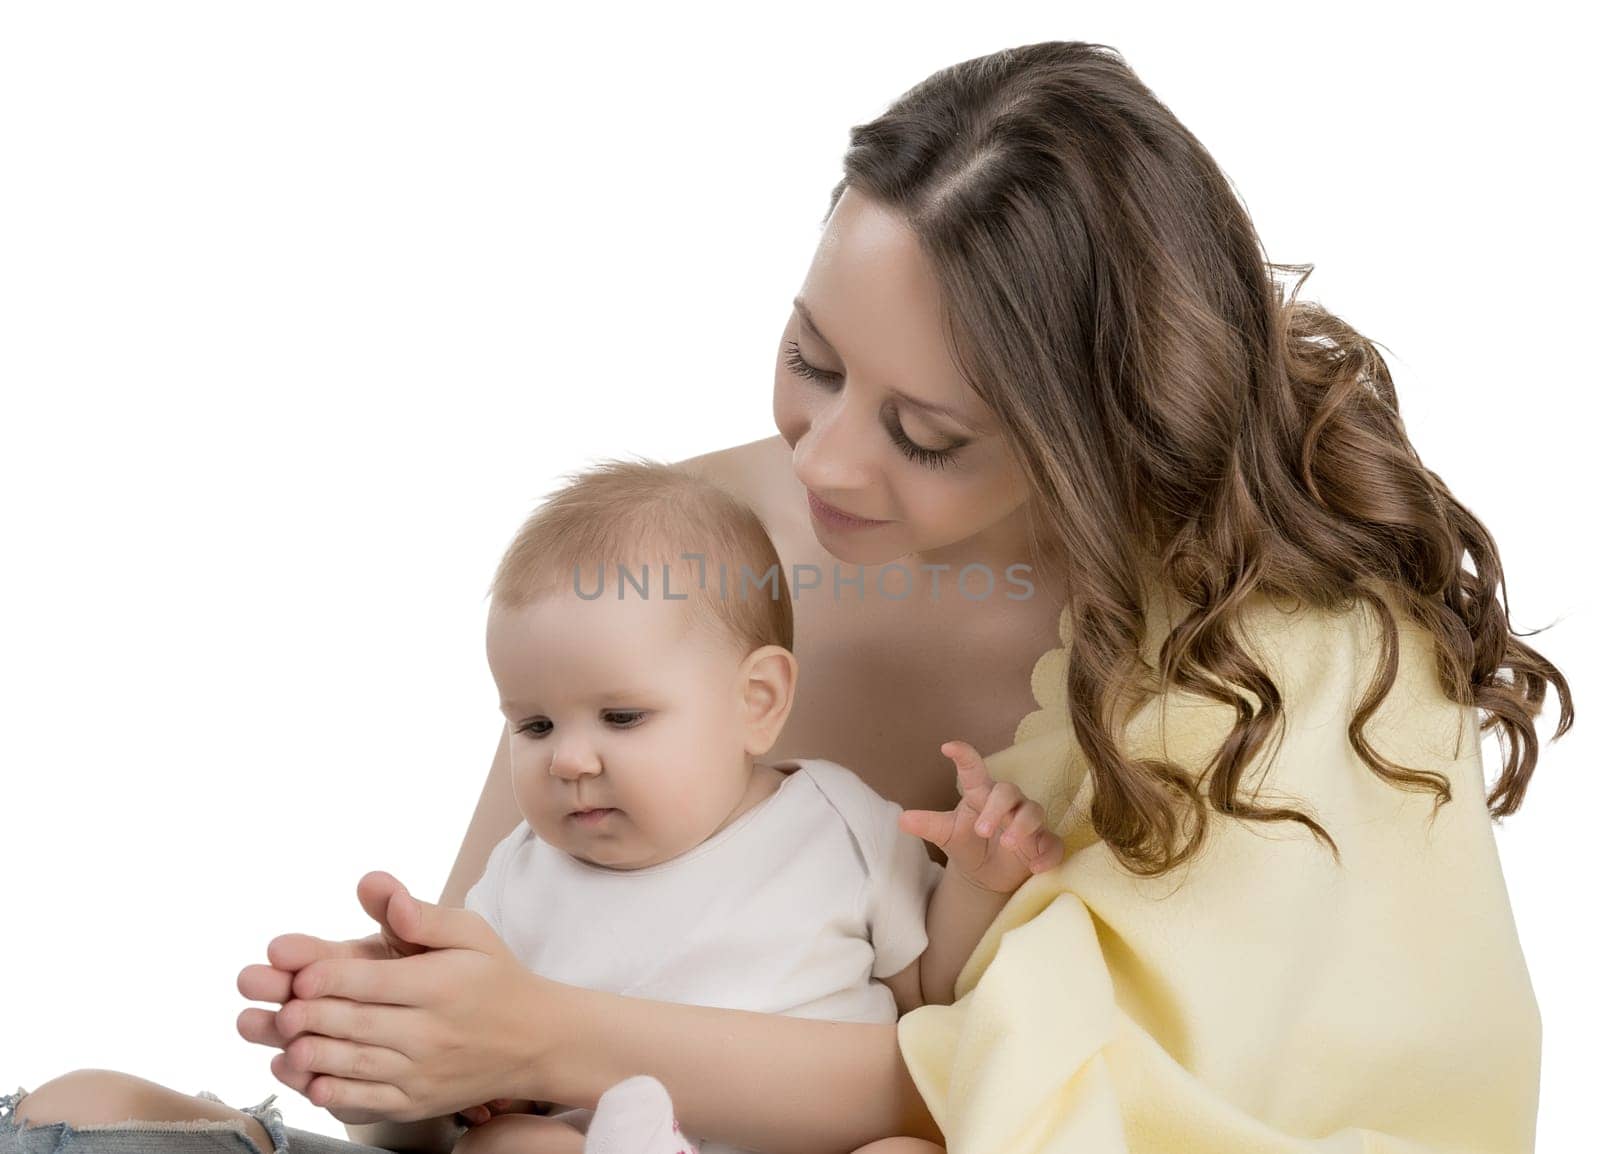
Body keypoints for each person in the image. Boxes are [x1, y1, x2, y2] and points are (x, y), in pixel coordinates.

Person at [3, 37, 1572, 1154]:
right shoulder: (708, 541)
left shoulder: (1267, 667)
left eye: (927, 432)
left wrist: (548, 1038)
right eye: (813, 359)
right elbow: (496, 946)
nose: (822, 456)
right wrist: (387, 1030)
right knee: (82, 1102)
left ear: (1099, 437)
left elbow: (999, 1093)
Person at [445, 457, 1065, 1154]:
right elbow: (479, 1045)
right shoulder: (519, 877)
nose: (567, 760)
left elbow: (928, 987)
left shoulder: (834, 823)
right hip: (603, 1141)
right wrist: (478, 1087)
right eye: (534, 727)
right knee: (502, 1147)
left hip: (813, 1140)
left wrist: (979, 879)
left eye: (620, 717)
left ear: (756, 702)